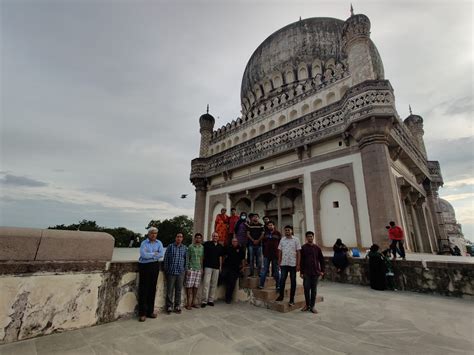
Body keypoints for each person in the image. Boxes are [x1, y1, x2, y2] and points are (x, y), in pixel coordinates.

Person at [137, 227, 164, 322]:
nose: (153, 235)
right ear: (148, 234)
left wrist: (150, 254)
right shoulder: (144, 243)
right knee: (144, 289)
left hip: (154, 266)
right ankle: (142, 313)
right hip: (144, 266)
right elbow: (143, 255)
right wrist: (154, 254)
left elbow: (161, 254)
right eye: (152, 233)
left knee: (152, 288)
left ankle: (150, 311)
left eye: (155, 233)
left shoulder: (159, 243)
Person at [276, 225, 301, 306]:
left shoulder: (296, 239)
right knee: (282, 280)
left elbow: (298, 252)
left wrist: (298, 264)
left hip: (293, 264)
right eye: (286, 230)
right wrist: (279, 262)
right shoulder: (282, 239)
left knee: (293, 281)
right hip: (284, 263)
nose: (287, 231)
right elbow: (280, 251)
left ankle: (291, 299)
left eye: (288, 230)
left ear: (292, 231)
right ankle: (281, 296)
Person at [300, 231, 325, 313]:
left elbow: (321, 260)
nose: (310, 238)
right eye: (308, 236)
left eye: (311, 236)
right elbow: (301, 260)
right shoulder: (303, 248)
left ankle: (312, 306)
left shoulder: (317, 248)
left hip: (315, 272)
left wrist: (322, 271)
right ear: (306, 238)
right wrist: (301, 272)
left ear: (313, 237)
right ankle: (307, 305)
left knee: (314, 290)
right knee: (306, 289)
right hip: (306, 273)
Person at [163, 232, 187, 314]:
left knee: (178, 290)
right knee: (170, 290)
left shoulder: (184, 248)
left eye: (181, 237)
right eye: (178, 236)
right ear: (175, 238)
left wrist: (184, 270)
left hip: (180, 272)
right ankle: (169, 306)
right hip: (171, 271)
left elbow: (186, 260)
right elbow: (166, 258)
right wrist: (166, 269)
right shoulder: (170, 246)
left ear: (182, 238)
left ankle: (177, 306)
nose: (179, 238)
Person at [201, 232, 225, 307]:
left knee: (214, 284)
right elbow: (202, 255)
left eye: (216, 236)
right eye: (214, 236)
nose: (215, 237)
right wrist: (202, 266)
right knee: (206, 283)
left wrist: (220, 266)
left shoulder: (220, 246)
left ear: (218, 237)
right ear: (212, 237)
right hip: (208, 266)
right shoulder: (207, 244)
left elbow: (220, 257)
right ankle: (204, 301)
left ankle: (211, 300)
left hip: (216, 267)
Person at [259, 221, 281, 289]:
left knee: (276, 271)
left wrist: (280, 255)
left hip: (275, 255)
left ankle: (278, 285)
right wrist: (263, 253)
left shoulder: (278, 233)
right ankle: (261, 284)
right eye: (269, 225)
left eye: (271, 225)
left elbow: (281, 244)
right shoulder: (265, 234)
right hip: (267, 255)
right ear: (267, 226)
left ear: (274, 226)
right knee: (264, 270)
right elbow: (263, 244)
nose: (270, 226)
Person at [223, 237, 246, 303]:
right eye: (233, 241)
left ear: (237, 242)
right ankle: (227, 297)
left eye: (235, 241)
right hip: (228, 267)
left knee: (232, 283)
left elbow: (243, 259)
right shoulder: (228, 247)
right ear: (232, 242)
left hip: (235, 269)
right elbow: (223, 256)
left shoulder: (240, 249)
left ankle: (229, 298)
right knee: (227, 282)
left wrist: (243, 267)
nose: (234, 242)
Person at [184, 233, 204, 310]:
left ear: (201, 239)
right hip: (191, 269)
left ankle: (193, 302)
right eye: (197, 238)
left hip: (198, 269)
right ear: (194, 238)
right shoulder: (190, 247)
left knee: (196, 286)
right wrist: (188, 268)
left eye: (199, 238)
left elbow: (201, 258)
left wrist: (201, 268)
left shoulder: (202, 247)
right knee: (189, 286)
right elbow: (187, 258)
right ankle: (188, 303)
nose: (198, 239)